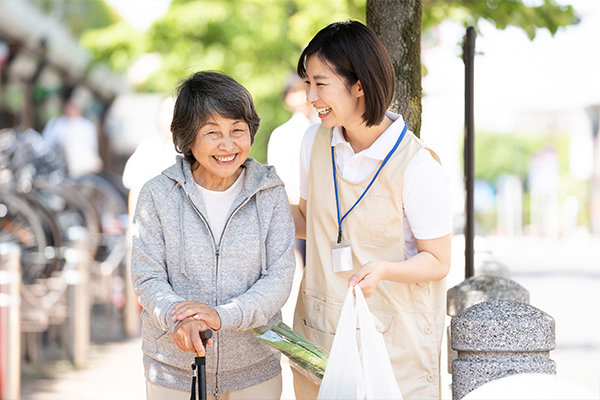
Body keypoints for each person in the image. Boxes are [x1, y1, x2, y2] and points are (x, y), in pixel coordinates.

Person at [290, 21, 453, 400]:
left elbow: (438, 260)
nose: (310, 96)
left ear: (359, 84)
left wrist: (384, 270)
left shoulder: (418, 166)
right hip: (321, 332)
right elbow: (308, 221)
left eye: (320, 83)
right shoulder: (313, 142)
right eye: (307, 84)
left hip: (391, 341)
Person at [131, 70, 296, 400]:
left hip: (254, 368)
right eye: (212, 133)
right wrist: (178, 317)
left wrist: (222, 316)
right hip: (173, 371)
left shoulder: (270, 192)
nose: (228, 145)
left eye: (238, 130)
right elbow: (147, 277)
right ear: (188, 137)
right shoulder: (157, 195)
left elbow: (279, 277)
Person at [267, 74, 319, 267]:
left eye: (304, 89)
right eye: (295, 91)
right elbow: (280, 177)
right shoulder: (282, 134)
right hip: (298, 209)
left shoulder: (327, 128)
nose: (302, 96)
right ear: (286, 99)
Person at [122, 95, 178, 214]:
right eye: (164, 112)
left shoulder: (195, 149)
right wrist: (133, 228)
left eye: (173, 112)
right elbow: (136, 188)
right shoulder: (149, 145)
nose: (167, 118)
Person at [42, 97, 102, 177]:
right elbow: (47, 144)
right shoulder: (57, 124)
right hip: (62, 166)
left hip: (85, 167)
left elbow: (93, 146)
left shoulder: (87, 125)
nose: (71, 110)